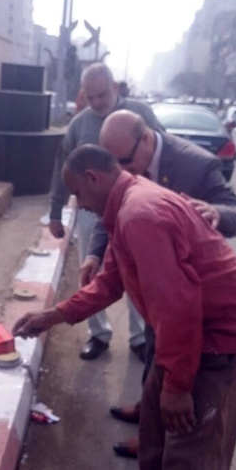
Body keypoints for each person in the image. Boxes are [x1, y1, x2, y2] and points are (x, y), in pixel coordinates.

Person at [14, 145, 236, 470]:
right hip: (187, 336)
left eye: (77, 193)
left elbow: (177, 307)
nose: (80, 204)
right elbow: (110, 282)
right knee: (154, 433)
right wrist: (52, 316)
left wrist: (178, 387)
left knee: (191, 452)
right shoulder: (127, 204)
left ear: (93, 178)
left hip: (223, 339)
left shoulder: (140, 214)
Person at [88, 110, 236, 459]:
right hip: (156, 289)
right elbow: (110, 205)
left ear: (146, 139)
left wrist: (216, 213)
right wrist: (94, 253)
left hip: (190, 293)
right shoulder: (125, 171)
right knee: (156, 357)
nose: (120, 171)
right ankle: (150, 422)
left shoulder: (196, 165)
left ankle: (160, 433)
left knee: (180, 379)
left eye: (124, 162)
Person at [49, 62, 162, 362]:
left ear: (114, 87)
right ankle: (98, 333)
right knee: (90, 269)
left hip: (137, 207)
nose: (97, 102)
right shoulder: (79, 125)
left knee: (136, 270)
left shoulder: (140, 114)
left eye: (102, 95)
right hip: (91, 211)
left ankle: (140, 335)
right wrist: (55, 211)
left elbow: (161, 150)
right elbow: (63, 167)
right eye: (91, 97)